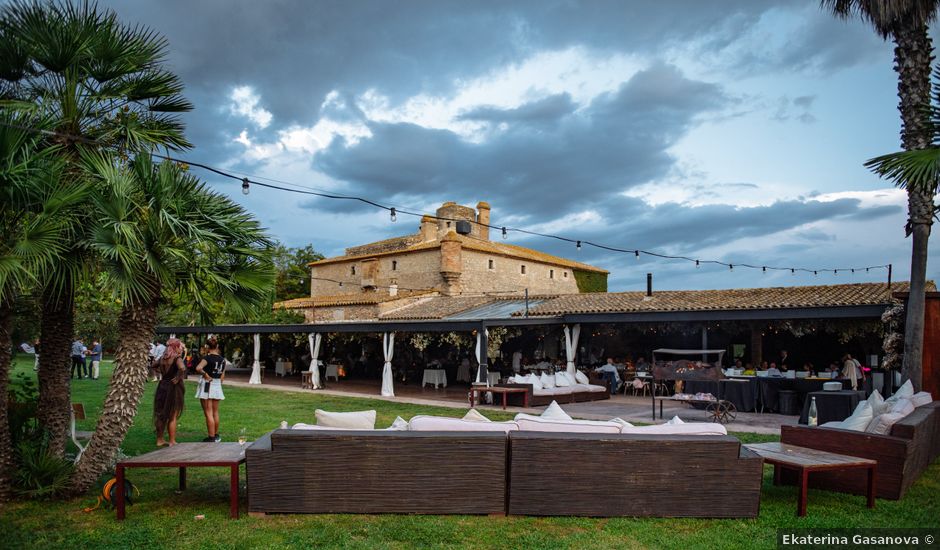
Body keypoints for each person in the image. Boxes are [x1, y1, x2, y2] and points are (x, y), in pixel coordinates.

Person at [153, 338, 187, 447]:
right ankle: (172, 441)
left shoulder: (163, 358)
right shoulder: (177, 358)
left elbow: (153, 365)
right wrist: (178, 378)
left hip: (162, 386)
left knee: (160, 414)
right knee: (173, 415)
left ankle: (160, 440)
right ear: (175, 347)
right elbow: (182, 368)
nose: (181, 348)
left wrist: (159, 372)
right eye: (180, 346)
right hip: (174, 388)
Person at [195, 337, 226, 442]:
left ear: (207, 347)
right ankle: (216, 435)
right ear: (217, 346)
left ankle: (211, 437)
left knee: (208, 412)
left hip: (208, 384)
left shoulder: (207, 358)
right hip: (217, 384)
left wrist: (206, 375)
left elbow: (198, 368)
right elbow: (222, 377)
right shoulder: (222, 360)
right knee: (215, 412)